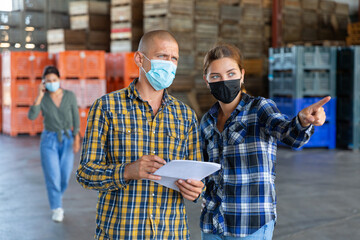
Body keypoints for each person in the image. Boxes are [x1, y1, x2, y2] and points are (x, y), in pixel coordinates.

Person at [76, 30, 204, 240]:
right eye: (162, 56)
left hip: (171, 233)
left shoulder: (186, 116)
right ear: (139, 59)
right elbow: (86, 173)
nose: (169, 64)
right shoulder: (106, 107)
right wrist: (127, 172)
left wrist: (196, 190)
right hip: (121, 232)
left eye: (174, 59)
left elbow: (196, 174)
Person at [199, 43, 329, 240]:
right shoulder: (207, 121)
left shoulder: (260, 108)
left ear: (242, 75)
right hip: (213, 224)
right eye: (215, 76)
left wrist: (302, 121)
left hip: (250, 224)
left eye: (231, 73)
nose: (224, 81)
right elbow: (203, 169)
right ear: (206, 81)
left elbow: (289, 133)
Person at [28, 66, 80, 222]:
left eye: (54, 80)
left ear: (59, 80)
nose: (52, 83)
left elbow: (76, 118)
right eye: (48, 81)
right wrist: (38, 96)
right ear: (44, 82)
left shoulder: (69, 96)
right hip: (49, 140)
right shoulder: (43, 99)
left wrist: (77, 138)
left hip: (67, 138)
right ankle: (57, 207)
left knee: (64, 176)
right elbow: (31, 116)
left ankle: (56, 196)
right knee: (53, 176)